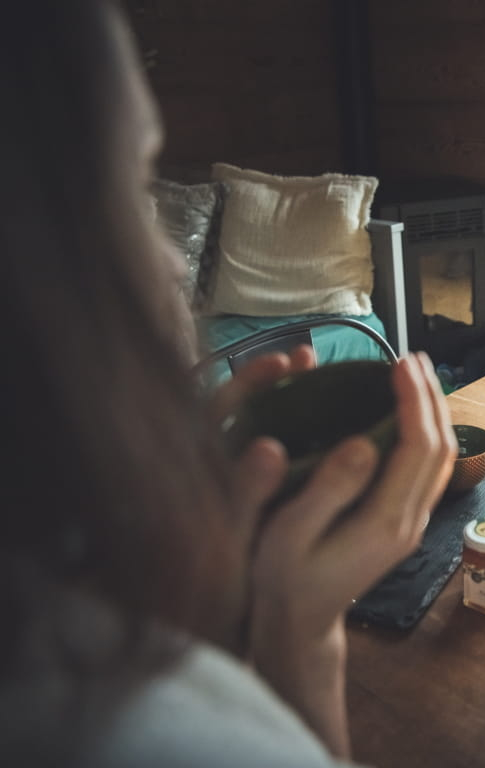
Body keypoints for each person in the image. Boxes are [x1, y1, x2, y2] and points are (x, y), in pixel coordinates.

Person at [0, 1, 455, 765]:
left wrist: (218, 597)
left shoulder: (65, 582)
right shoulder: (139, 730)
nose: (177, 266)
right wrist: (302, 640)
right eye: (130, 184)